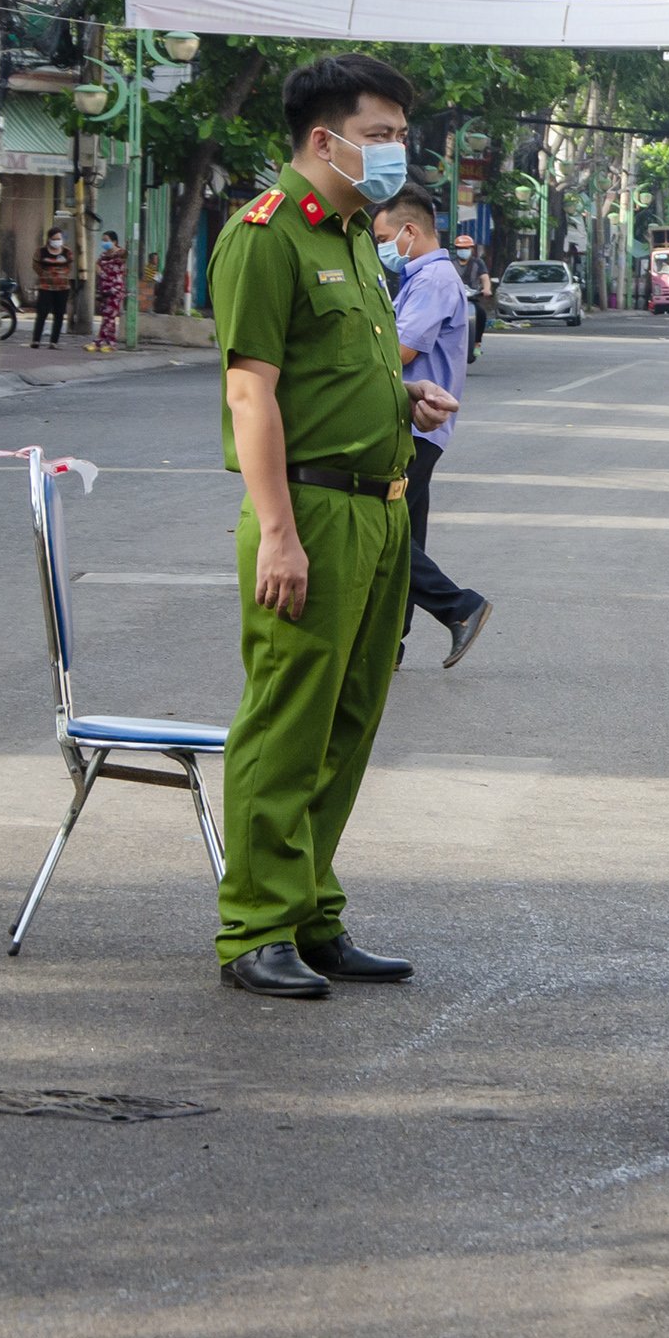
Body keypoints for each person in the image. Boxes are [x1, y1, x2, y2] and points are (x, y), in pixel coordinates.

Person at [208, 53, 459, 1000]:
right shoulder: (265, 236)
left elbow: (333, 371)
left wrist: (404, 397)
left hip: (382, 507)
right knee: (287, 720)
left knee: (349, 721)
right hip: (308, 510)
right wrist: (277, 530)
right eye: (383, 134)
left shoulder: (356, 236)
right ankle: (255, 927)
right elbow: (251, 389)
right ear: (326, 139)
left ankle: (313, 912)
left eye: (400, 134)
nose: (399, 151)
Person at [371, 189, 494, 669]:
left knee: (386, 533)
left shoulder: (432, 279)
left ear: (410, 232)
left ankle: (458, 605)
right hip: (421, 425)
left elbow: (399, 351)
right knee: (406, 532)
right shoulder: (429, 277)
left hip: (417, 424)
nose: (381, 248)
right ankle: (390, 644)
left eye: (383, 238)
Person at [29, 227, 76, 347]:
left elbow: (70, 266)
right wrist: (46, 275)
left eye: (59, 239)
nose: (57, 241)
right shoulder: (41, 251)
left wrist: (61, 275)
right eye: (54, 239)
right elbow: (36, 266)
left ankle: (54, 341)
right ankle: (36, 340)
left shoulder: (67, 252)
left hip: (62, 287)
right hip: (45, 287)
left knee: (59, 314)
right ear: (49, 239)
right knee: (42, 313)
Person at [450, 230, 490, 362]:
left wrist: (487, 289)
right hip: (454, 299)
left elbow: (484, 277)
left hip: (472, 298)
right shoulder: (450, 263)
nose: (463, 250)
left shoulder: (478, 263)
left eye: (466, 248)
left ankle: (477, 342)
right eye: (460, 248)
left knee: (481, 314)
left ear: (471, 249)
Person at [90, 231, 127, 353]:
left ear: (114, 241)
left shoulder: (120, 254)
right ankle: (105, 342)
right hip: (105, 290)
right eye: (103, 240)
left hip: (115, 290)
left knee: (109, 317)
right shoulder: (103, 255)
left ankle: (106, 342)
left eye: (106, 240)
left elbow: (123, 257)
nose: (104, 243)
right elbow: (97, 264)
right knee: (106, 317)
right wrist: (99, 271)